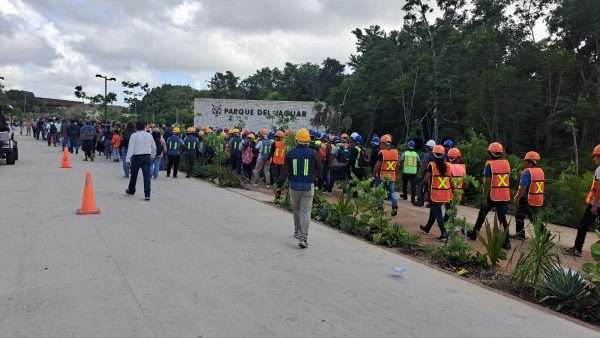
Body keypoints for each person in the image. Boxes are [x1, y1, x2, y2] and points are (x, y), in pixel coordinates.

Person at [278, 128, 322, 249]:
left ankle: (297, 231)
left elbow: (284, 172)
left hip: (294, 186)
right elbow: (320, 169)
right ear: (308, 141)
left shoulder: (290, 153)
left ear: (297, 140)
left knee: (296, 210)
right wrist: (318, 180)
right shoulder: (314, 153)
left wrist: (278, 185)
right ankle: (303, 238)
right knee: (306, 212)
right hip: (308, 186)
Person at [467, 142, 512, 249]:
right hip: (504, 195)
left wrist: (484, 197)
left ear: (490, 153)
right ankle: (507, 242)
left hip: (492, 195)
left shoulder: (489, 165)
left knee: (482, 214)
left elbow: (487, 183)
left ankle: (474, 234)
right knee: (502, 219)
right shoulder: (506, 163)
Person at [565, 145, 600, 257]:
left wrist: (595, 205)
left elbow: (599, 188)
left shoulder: (599, 169)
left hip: (596, 203)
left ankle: (577, 249)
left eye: (595, 156)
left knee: (583, 226)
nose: (594, 159)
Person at [419, 145, 452, 240]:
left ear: (433, 155)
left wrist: (422, 185)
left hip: (435, 193)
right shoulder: (448, 166)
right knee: (433, 210)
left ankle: (444, 233)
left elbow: (426, 179)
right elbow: (450, 179)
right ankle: (427, 227)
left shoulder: (432, 165)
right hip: (445, 193)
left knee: (437, 212)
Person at [512, 151, 544, 240]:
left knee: (519, 215)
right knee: (534, 218)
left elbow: (523, 187)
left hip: (527, 198)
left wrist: (517, 197)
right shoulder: (540, 171)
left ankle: (520, 234)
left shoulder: (527, 172)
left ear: (530, 162)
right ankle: (545, 234)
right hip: (538, 198)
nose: (524, 163)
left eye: (526, 161)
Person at [125, 121, 156, 201]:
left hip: (136, 157)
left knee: (134, 175)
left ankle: (131, 190)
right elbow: (154, 147)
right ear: (145, 127)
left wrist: (128, 159)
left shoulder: (134, 135)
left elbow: (131, 148)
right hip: (147, 157)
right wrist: (152, 156)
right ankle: (147, 195)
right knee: (147, 176)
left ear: (136, 127)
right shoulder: (149, 135)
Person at [372, 134, 399, 216]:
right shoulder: (395, 152)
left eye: (381, 143)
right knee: (392, 192)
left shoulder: (382, 153)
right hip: (392, 176)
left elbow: (377, 165)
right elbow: (397, 165)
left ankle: (379, 208)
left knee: (379, 192)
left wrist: (373, 175)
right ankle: (394, 206)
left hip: (382, 176)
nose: (380, 145)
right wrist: (396, 174)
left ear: (384, 144)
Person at [445, 147, 467, 223]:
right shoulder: (462, 167)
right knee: (453, 207)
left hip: (450, 190)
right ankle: (448, 220)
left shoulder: (448, 166)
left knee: (448, 207)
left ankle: (448, 221)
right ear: (458, 158)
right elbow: (465, 181)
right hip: (459, 191)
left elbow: (448, 179)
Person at [416, 139, 436, 206]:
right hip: (435, 175)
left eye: (427, 147)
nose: (426, 148)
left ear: (429, 148)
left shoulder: (427, 155)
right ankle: (431, 202)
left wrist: (419, 175)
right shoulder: (437, 155)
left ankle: (420, 201)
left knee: (421, 186)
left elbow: (423, 166)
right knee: (431, 188)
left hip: (426, 174)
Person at [400, 140, 420, 204]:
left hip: (405, 171)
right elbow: (419, 162)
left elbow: (401, 161)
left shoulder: (405, 153)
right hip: (413, 172)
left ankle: (405, 195)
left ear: (408, 146)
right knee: (413, 186)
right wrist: (417, 169)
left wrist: (401, 169)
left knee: (404, 184)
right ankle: (413, 199)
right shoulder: (416, 154)